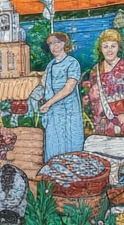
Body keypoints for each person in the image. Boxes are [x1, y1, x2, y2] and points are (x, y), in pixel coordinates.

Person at [34, 32, 86, 160]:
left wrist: (48, 103)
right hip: (54, 113)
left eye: (56, 42)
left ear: (64, 43)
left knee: (70, 142)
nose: (54, 46)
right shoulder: (50, 65)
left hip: (69, 111)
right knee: (54, 143)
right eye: (51, 44)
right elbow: (45, 85)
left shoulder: (72, 63)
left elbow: (69, 87)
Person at [82, 29, 124, 137]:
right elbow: (94, 97)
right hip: (102, 125)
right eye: (105, 46)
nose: (109, 50)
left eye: (113, 46)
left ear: (119, 47)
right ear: (101, 48)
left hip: (123, 123)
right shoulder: (96, 70)